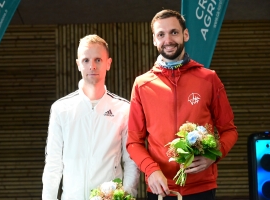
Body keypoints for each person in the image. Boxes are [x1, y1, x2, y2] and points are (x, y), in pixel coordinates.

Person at [126, 9, 238, 200]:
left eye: (174, 32)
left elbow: (229, 130)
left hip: (202, 188)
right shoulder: (142, 85)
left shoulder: (209, 79)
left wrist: (214, 154)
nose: (168, 39)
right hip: (161, 188)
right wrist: (151, 170)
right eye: (161, 34)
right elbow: (133, 142)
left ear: (185, 34)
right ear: (154, 40)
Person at [42, 34, 139, 200]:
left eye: (98, 60)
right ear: (78, 64)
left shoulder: (124, 109)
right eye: (86, 60)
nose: (92, 66)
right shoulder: (61, 109)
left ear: (108, 63)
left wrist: (125, 195)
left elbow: (131, 161)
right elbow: (53, 163)